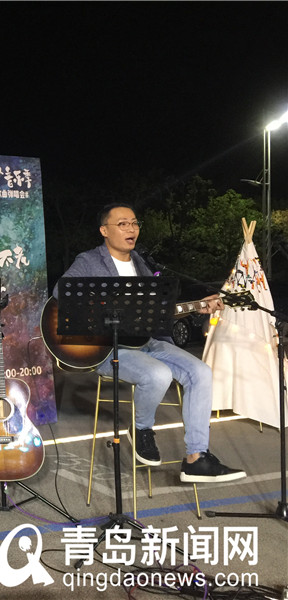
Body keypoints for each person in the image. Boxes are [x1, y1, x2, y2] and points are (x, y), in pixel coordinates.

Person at [53, 202, 246, 483]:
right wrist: (106, 306)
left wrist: (197, 306)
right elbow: (61, 292)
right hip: (106, 348)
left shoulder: (142, 264)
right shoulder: (89, 261)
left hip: (146, 342)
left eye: (134, 223)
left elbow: (155, 312)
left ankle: (196, 457)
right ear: (104, 230)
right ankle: (141, 429)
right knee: (158, 374)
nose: (131, 229)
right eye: (123, 224)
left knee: (201, 372)